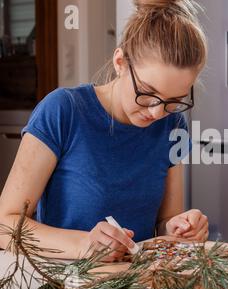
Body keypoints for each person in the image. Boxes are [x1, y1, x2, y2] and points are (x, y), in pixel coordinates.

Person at [0, 0, 209, 262]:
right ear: (120, 62)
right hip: (64, 280)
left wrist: (178, 228)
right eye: (148, 93)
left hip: (137, 282)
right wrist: (82, 244)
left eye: (174, 100)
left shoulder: (173, 124)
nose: (157, 113)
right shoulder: (63, 111)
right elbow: (6, 226)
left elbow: (164, 222)